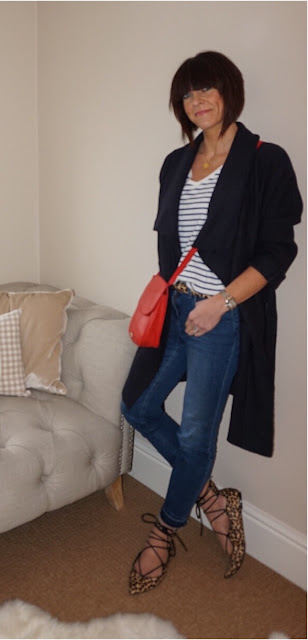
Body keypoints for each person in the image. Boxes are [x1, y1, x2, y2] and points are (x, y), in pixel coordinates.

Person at [121, 51, 302, 596]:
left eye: (207, 90)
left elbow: (277, 253)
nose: (197, 102)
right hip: (176, 306)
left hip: (221, 317)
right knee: (137, 405)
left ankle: (167, 530)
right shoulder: (177, 163)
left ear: (229, 92)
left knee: (198, 430)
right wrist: (182, 297)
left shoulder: (266, 160)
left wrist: (220, 302)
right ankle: (211, 497)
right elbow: (171, 242)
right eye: (187, 94)